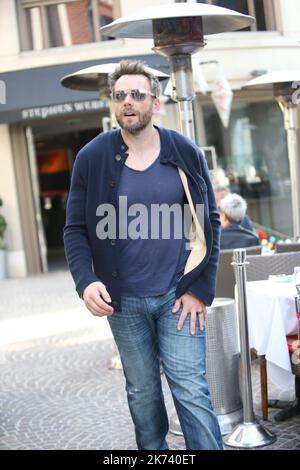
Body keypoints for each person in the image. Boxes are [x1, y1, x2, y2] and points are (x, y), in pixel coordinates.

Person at [64, 60, 223, 450]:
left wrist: (199, 288)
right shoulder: (92, 157)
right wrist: (86, 282)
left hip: (178, 296)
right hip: (125, 304)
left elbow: (211, 221)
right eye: (120, 96)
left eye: (137, 94)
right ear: (112, 104)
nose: (128, 102)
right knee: (143, 394)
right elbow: (75, 229)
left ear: (155, 101)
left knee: (191, 390)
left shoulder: (184, 151)